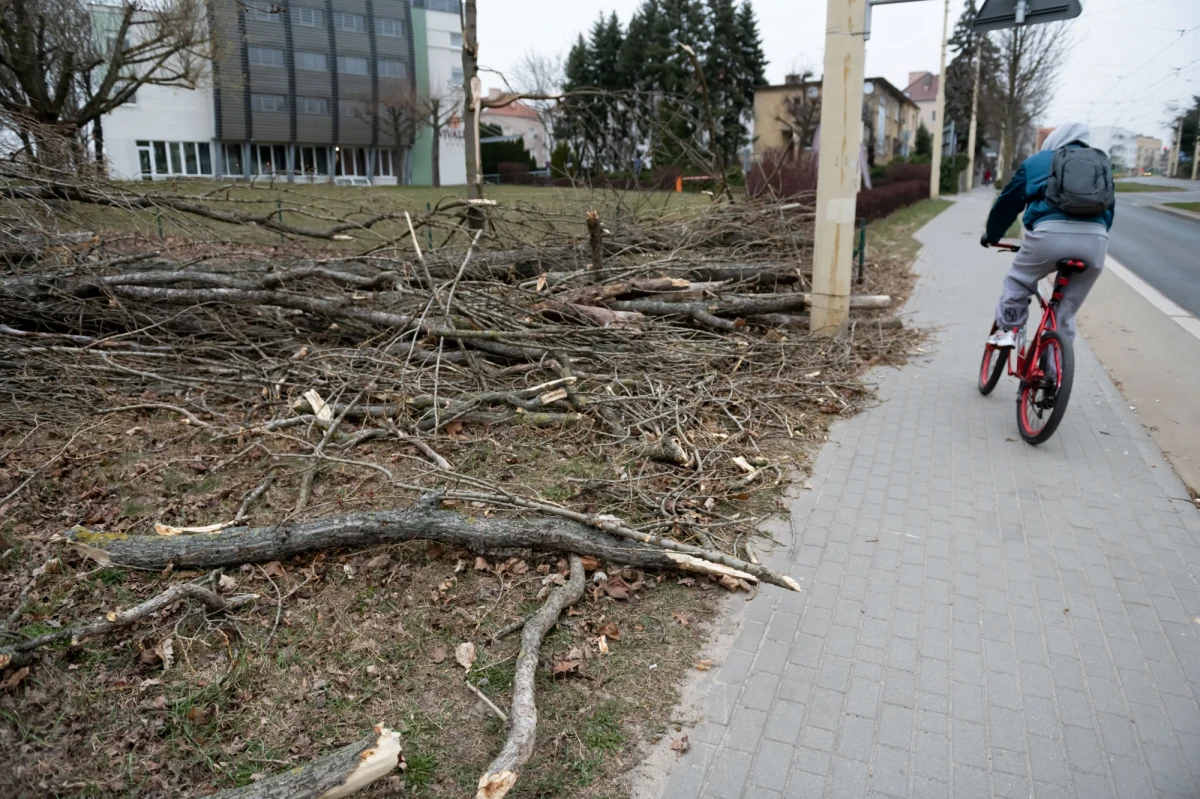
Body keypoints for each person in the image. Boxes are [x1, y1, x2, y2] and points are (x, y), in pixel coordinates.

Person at [981, 122, 1115, 347]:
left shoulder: (1036, 162)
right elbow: (1109, 210)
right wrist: (1093, 236)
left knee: (1019, 279)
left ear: (1055, 139)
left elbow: (1007, 204)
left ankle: (1008, 330)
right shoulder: (1101, 165)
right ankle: (1055, 371)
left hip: (1048, 237)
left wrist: (993, 234)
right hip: (1095, 241)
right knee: (1065, 312)